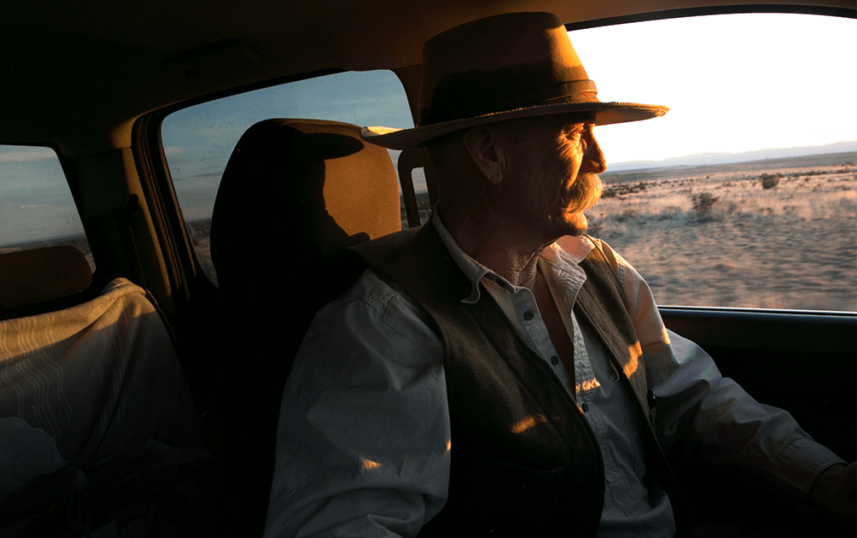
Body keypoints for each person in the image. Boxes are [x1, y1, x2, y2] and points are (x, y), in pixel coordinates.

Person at [263, 12, 855, 538]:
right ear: (489, 153)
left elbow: (692, 394)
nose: (601, 159)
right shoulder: (381, 331)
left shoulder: (595, 266)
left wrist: (824, 477)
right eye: (575, 133)